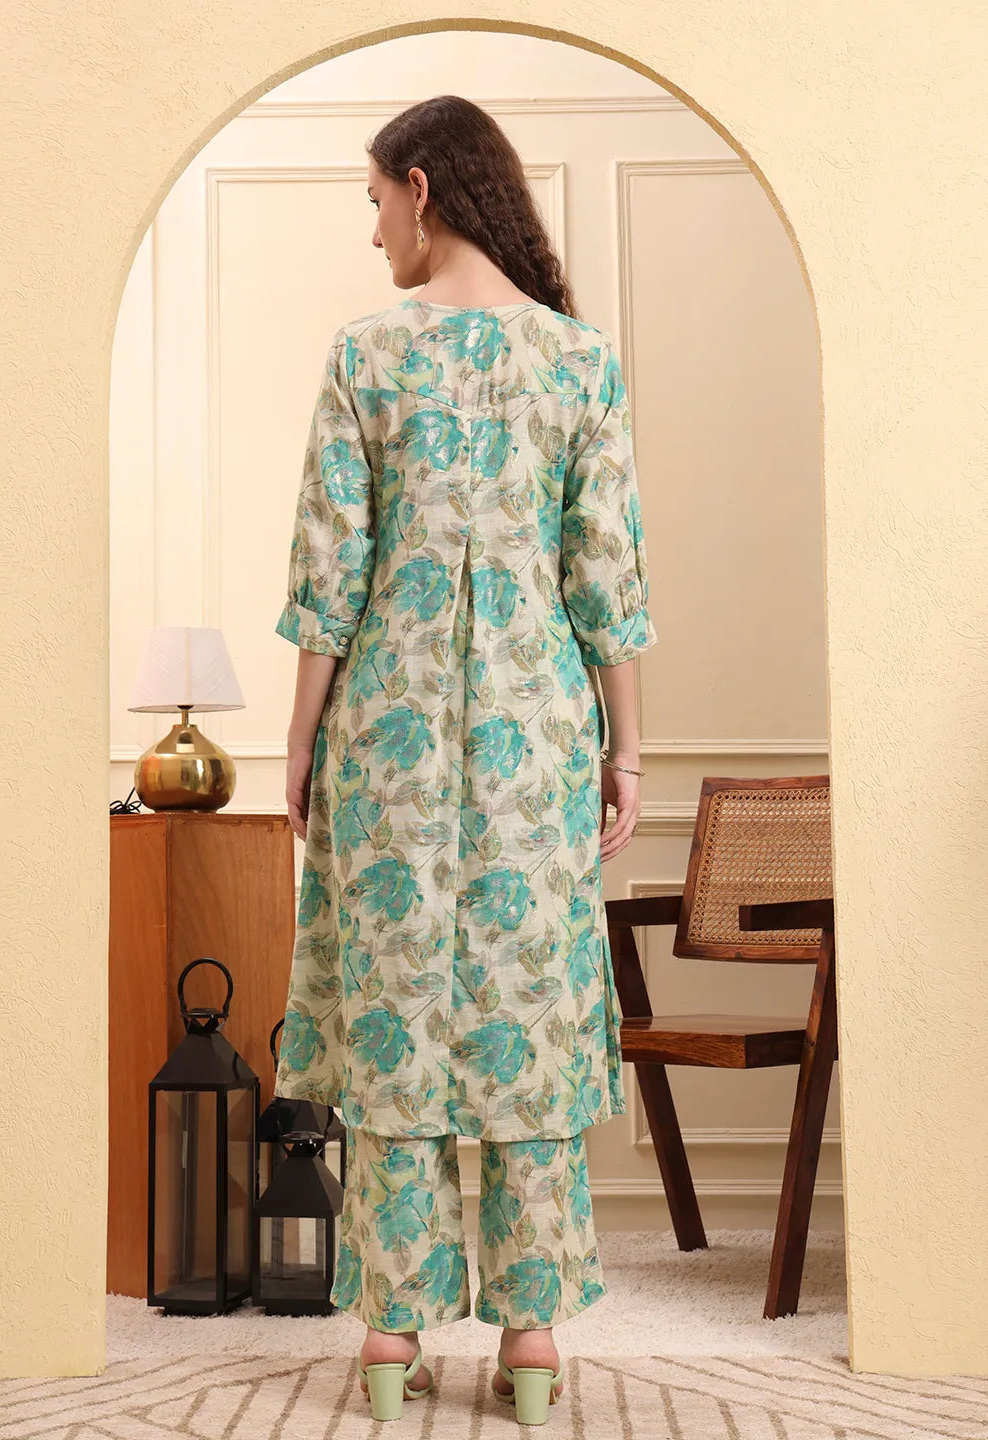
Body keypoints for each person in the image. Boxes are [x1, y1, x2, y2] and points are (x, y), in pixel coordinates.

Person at [272, 93, 658, 1425]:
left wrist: (299, 741)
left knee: (396, 1014)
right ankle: (532, 1346)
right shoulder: (578, 362)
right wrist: (627, 752)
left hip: (386, 727)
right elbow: (607, 578)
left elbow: (330, 570)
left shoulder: (367, 356)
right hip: (536, 733)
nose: (374, 228)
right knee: (521, 1016)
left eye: (377, 200)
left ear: (423, 189)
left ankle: (391, 1340)